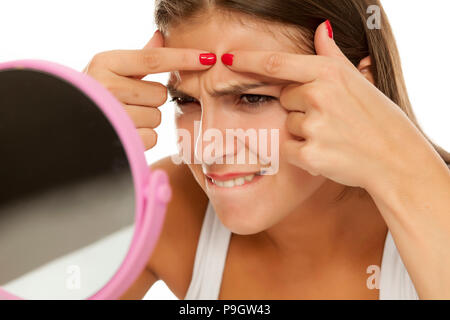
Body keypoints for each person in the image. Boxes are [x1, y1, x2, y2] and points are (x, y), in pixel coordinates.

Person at [83, 0, 450, 299]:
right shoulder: (169, 206)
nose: (208, 147)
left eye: (252, 97)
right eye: (185, 100)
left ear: (359, 88)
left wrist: (408, 172)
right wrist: (58, 140)